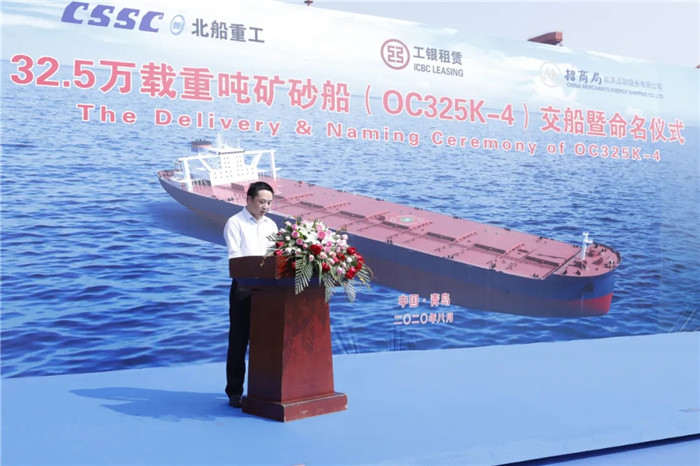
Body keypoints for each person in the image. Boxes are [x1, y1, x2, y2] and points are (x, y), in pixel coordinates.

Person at [223, 181, 277, 408]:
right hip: (244, 289)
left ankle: (264, 390)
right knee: (239, 339)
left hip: (269, 290)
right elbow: (235, 258)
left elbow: (276, 257)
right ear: (249, 199)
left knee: (266, 340)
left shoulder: (271, 225)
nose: (266, 207)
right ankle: (235, 391)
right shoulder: (235, 223)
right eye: (262, 202)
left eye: (269, 203)